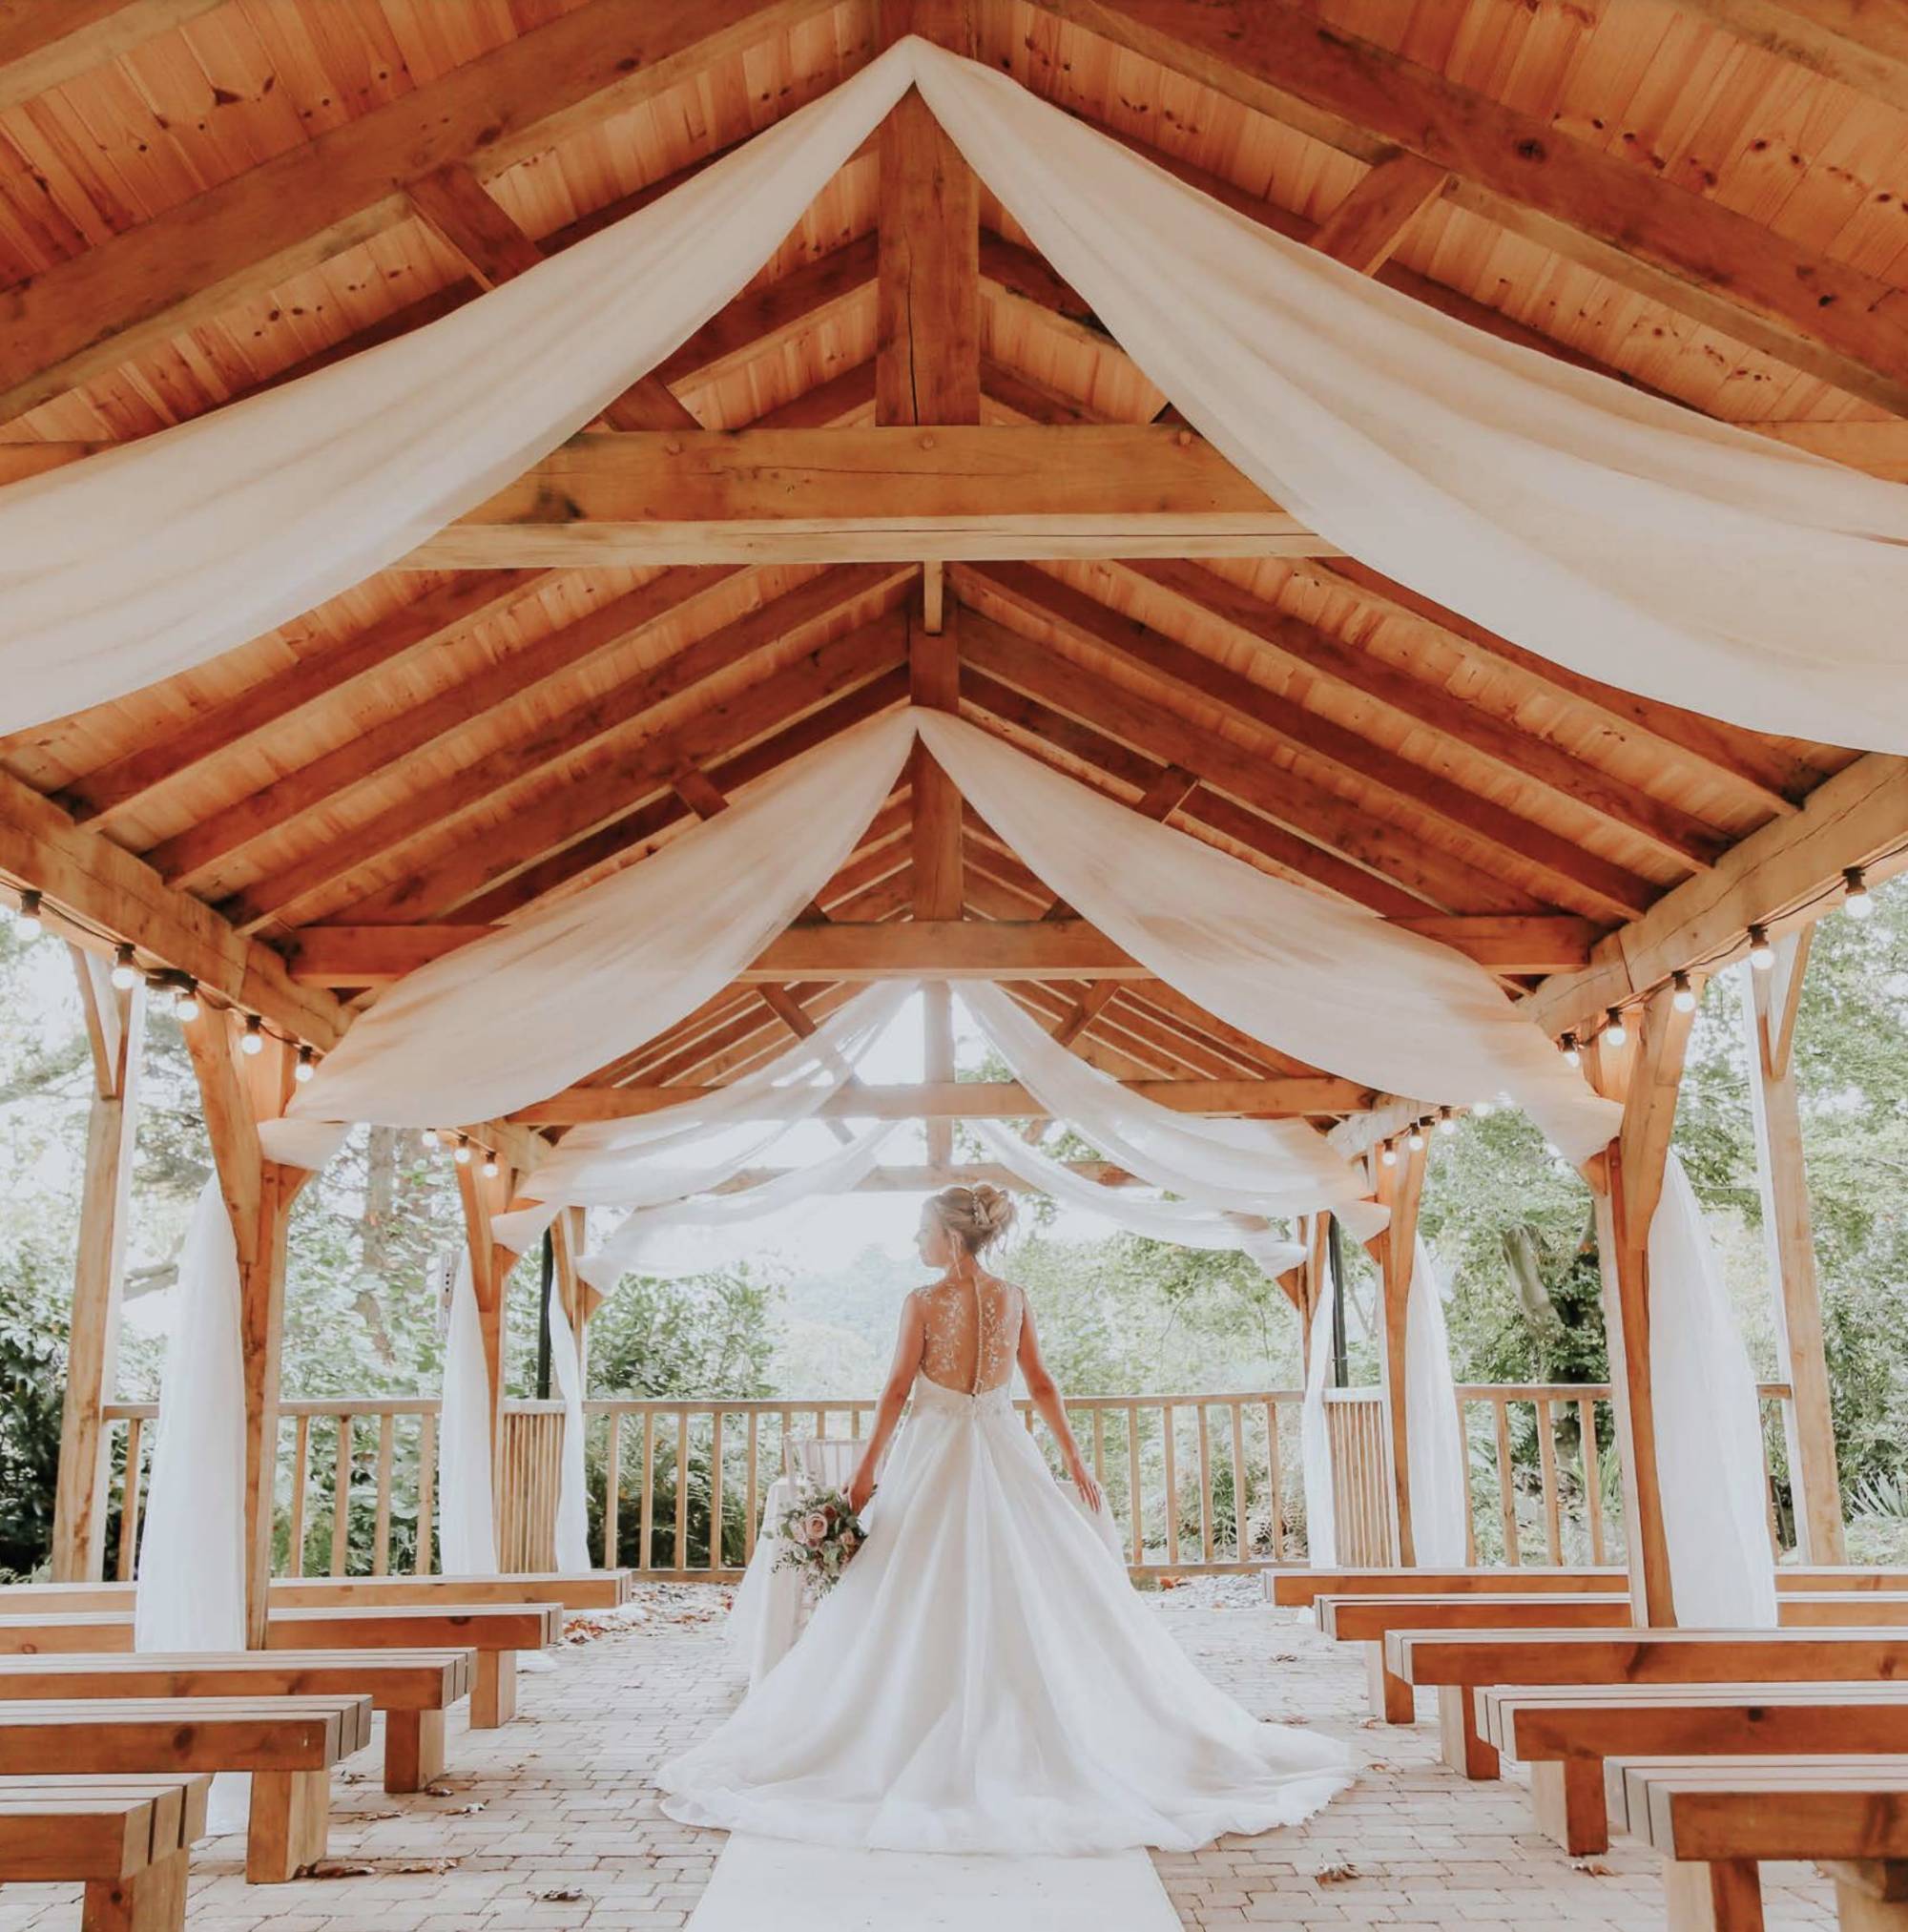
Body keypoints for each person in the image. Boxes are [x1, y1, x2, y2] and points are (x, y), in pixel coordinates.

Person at [656, 1184, 1352, 1855]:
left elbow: (898, 1388)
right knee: (1029, 1580)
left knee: (910, 1588)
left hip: (934, 1459)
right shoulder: (1012, 1297)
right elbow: (1041, 1381)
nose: (916, 1241)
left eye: (923, 1230)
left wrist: (865, 1473)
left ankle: (914, 1726)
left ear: (951, 1236)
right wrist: (1073, 1459)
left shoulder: (923, 1302)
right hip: (1002, 1448)